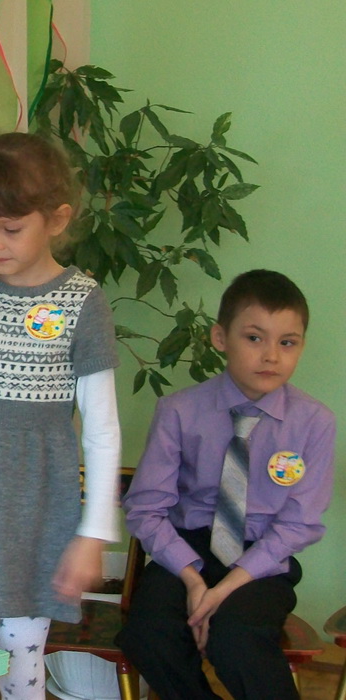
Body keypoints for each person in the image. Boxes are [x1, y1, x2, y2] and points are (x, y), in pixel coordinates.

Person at [0, 131, 122, 700]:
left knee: (20, 658)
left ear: (57, 219)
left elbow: (102, 431)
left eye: (11, 229)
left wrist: (93, 534)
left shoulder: (82, 302)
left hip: (35, 511)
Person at [115, 270, 335, 700]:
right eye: (254, 338)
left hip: (262, 559)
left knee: (236, 639)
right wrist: (195, 582)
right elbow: (145, 508)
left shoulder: (314, 422)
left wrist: (225, 590)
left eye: (287, 342)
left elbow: (299, 523)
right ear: (220, 337)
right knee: (148, 634)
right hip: (187, 551)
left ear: (301, 346)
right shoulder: (179, 411)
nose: (271, 355)